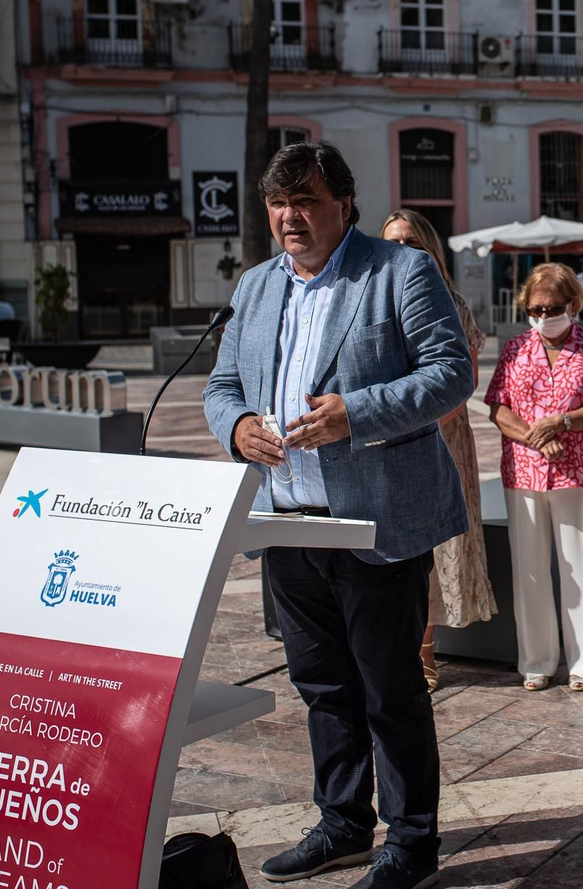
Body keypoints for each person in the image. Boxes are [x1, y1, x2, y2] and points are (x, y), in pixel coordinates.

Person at [203, 141, 473, 887]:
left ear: (343, 204)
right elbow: (222, 383)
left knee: (391, 689)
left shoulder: (399, 271)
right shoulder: (255, 286)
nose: (291, 217)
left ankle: (412, 844)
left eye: (308, 201)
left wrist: (358, 413)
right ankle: (345, 823)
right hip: (287, 522)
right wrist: (235, 428)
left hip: (374, 521)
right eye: (279, 204)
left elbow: (452, 373)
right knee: (322, 685)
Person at [485, 263, 583, 692]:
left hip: (579, 470)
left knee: (580, 568)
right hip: (524, 469)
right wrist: (536, 437)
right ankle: (537, 662)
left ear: (573, 304)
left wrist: (561, 423)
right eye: (535, 308)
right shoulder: (514, 350)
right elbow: (497, 408)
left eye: (553, 307)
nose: (544, 315)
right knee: (529, 569)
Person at [379, 209, 496, 693]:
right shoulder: (373, 298)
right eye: (392, 242)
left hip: (439, 439)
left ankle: (423, 652)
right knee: (391, 549)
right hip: (384, 440)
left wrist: (411, 424)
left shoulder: (452, 301)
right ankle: (390, 649)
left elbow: (461, 382)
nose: (402, 250)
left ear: (430, 249)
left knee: (431, 546)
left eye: (411, 241)